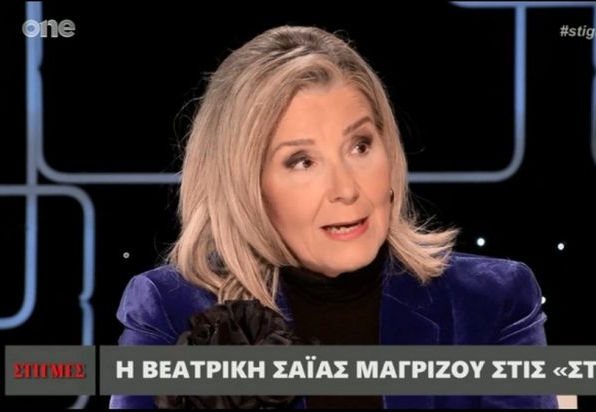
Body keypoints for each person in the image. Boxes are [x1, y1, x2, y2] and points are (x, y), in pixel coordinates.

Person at [109, 25, 558, 409]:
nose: (346, 189)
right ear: (245, 185)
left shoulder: (492, 301)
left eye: (360, 146)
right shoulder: (169, 311)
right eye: (302, 161)